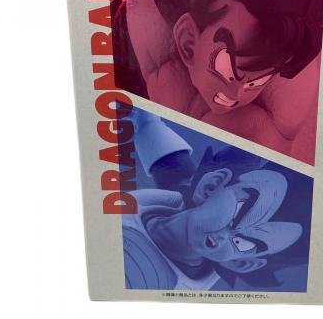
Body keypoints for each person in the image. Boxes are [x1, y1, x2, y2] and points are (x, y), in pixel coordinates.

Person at [112, 0, 323, 164]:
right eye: (226, 71)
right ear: (188, 43)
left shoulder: (259, 122)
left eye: (256, 82)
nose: (236, 94)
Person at [122, 110, 303, 290]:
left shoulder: (150, 280)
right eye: (239, 212)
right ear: (212, 185)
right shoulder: (172, 197)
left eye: (242, 243)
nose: (222, 237)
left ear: (242, 264)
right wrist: (146, 119)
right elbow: (170, 163)